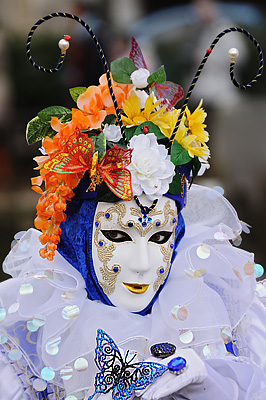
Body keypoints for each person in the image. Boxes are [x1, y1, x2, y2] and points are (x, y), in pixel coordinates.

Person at [0, 12, 265, 400]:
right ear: (76, 234)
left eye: (159, 235)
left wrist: (209, 380)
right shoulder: (24, 339)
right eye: (117, 234)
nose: (142, 263)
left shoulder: (230, 314)